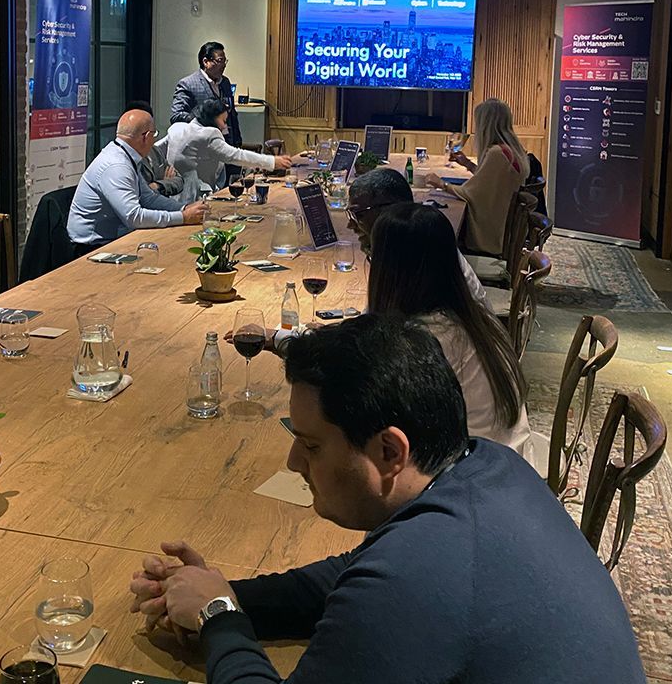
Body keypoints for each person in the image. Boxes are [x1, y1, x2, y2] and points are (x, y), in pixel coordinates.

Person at [129, 316, 645, 684]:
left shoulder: (415, 579)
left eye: (310, 444)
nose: (292, 462)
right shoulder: (486, 464)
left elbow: (385, 584)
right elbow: (352, 572)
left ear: (389, 450)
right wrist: (222, 592)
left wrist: (220, 616)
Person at [368, 202, 531, 454]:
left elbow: (384, 422)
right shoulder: (474, 317)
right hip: (507, 459)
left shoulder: (425, 341)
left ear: (388, 272)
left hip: (471, 473)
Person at [67, 108, 206, 255]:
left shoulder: (125, 155)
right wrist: (183, 218)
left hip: (114, 239)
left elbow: (148, 199)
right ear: (146, 137)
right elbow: (133, 217)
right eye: (154, 134)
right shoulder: (117, 166)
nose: (154, 140)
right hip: (92, 249)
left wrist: (184, 208)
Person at [346, 166, 488, 306]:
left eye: (358, 214)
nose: (350, 225)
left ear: (390, 211)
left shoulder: (410, 256)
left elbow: (388, 320)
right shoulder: (419, 238)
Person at [426, 98, 528, 256]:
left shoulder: (497, 154)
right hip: (502, 228)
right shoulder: (510, 150)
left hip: (491, 236)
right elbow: (490, 180)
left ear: (486, 125)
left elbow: (473, 193)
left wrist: (441, 184)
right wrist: (467, 163)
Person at [166, 99, 293, 202]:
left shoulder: (176, 128)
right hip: (195, 199)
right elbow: (235, 155)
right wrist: (271, 161)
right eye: (223, 121)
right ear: (211, 119)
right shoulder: (209, 134)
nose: (224, 126)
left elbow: (154, 150)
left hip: (172, 196)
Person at [170, 41, 242, 147]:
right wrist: (204, 118)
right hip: (203, 147)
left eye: (224, 61)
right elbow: (176, 116)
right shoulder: (188, 84)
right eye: (219, 61)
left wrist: (237, 141)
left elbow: (232, 115)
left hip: (227, 144)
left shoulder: (225, 82)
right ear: (205, 62)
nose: (223, 66)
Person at [125, 101, 185, 197]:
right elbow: (141, 193)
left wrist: (158, 185)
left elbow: (179, 180)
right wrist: (164, 183)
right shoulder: (125, 158)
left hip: (164, 205)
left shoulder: (155, 151)